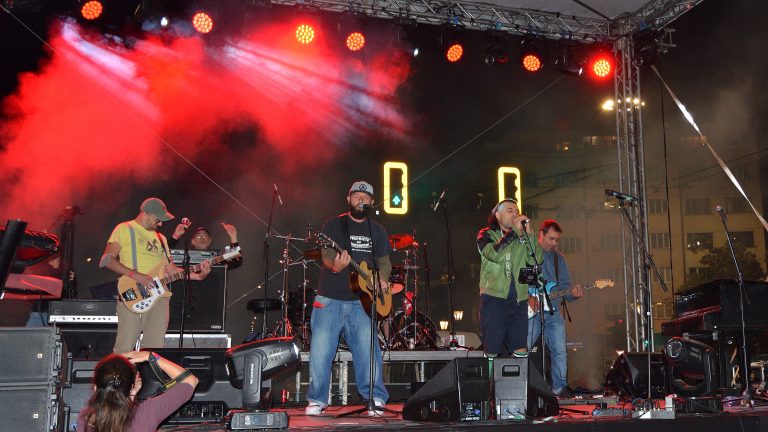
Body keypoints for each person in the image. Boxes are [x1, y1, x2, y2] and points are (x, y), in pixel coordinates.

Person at [305, 181, 391, 416]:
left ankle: (375, 398)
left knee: (368, 351)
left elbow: (384, 262)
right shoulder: (334, 225)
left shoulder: (378, 230)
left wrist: (382, 279)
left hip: (362, 301)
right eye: (356, 196)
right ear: (348, 199)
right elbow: (327, 253)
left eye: (365, 197)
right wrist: (335, 266)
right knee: (321, 351)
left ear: (371, 202)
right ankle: (317, 399)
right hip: (329, 297)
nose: (360, 200)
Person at [99, 197, 211, 353]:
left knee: (155, 349)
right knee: (125, 347)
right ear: (146, 213)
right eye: (158, 219)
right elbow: (106, 260)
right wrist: (136, 275)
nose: (160, 224)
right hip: (134, 292)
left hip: (160, 297)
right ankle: (120, 370)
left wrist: (198, 276)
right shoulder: (125, 229)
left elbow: (172, 271)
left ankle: (149, 370)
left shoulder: (161, 239)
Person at [476, 198, 542, 358]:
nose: (515, 214)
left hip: (518, 300)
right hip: (494, 299)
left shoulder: (521, 236)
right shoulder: (486, 234)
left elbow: (536, 260)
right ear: (497, 215)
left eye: (517, 211)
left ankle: (518, 376)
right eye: (510, 211)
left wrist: (530, 235)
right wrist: (515, 232)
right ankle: (490, 375)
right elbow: (495, 254)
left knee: (521, 350)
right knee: (492, 350)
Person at [76, 350, 199, 432]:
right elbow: (190, 381)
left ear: (95, 388)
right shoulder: (147, 412)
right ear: (132, 387)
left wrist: (131, 394)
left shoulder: (85, 419)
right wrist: (150, 356)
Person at [527, 219, 583, 398]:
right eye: (551, 239)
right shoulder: (527, 253)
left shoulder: (560, 259)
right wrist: (527, 297)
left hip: (552, 311)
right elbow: (517, 281)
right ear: (540, 235)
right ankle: (520, 385)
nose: (554, 243)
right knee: (523, 349)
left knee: (560, 350)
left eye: (557, 240)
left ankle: (560, 387)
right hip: (531, 311)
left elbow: (565, 288)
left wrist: (573, 294)